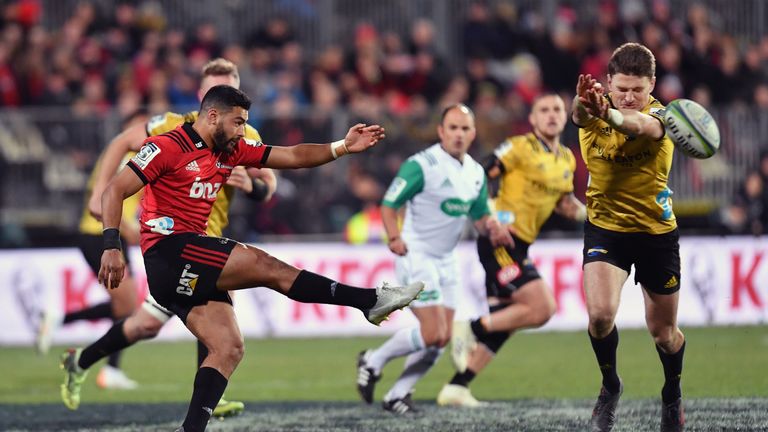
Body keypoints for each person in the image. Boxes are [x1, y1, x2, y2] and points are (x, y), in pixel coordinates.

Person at [61, 84, 423, 432]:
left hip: (189, 258)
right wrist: (111, 245)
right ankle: (368, 300)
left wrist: (343, 146)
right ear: (213, 116)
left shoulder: (230, 150)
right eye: (238, 122)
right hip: (169, 250)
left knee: (227, 347)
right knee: (266, 266)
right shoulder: (167, 145)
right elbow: (115, 190)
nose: (242, 130)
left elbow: (292, 156)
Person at [54, 58, 277, 418]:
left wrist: (253, 187)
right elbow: (121, 141)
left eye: (232, 87)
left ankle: (80, 361)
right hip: (174, 245)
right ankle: (205, 400)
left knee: (150, 323)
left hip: (212, 240)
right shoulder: (171, 125)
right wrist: (99, 192)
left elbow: (270, 184)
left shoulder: (244, 133)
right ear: (204, 97)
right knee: (198, 321)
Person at [355, 104, 512, 414]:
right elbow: (389, 204)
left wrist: (493, 227)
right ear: (441, 131)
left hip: (447, 259)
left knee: (442, 338)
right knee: (433, 333)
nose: (458, 134)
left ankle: (398, 394)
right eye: (452, 128)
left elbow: (479, 218)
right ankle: (373, 360)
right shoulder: (421, 165)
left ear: (473, 134)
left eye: (465, 129)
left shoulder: (475, 173)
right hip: (417, 254)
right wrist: (394, 237)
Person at [439, 94, 586, 407]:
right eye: (543, 110)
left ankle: (457, 387)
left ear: (566, 116)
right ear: (532, 119)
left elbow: (564, 203)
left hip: (521, 244)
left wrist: (594, 213)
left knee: (506, 322)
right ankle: (469, 327)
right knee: (543, 307)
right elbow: (480, 173)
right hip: (500, 240)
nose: (551, 115)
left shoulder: (567, 159)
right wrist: (490, 218)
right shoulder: (518, 147)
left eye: (557, 109)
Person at [572, 43, 685, 432]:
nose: (629, 96)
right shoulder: (593, 107)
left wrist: (614, 114)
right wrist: (584, 102)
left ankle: (672, 393)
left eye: (637, 89)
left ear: (652, 84)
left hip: (656, 234)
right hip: (607, 230)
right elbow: (579, 113)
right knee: (600, 317)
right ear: (608, 82)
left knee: (665, 335)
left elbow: (638, 126)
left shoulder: (663, 117)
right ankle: (610, 386)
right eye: (621, 88)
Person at [34, 109, 147, 392]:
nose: (147, 131)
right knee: (128, 308)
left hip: (105, 234)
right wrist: (129, 228)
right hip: (103, 235)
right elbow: (107, 200)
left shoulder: (125, 156)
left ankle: (62, 319)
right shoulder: (129, 157)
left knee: (126, 307)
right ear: (127, 129)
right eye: (141, 125)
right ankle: (109, 370)